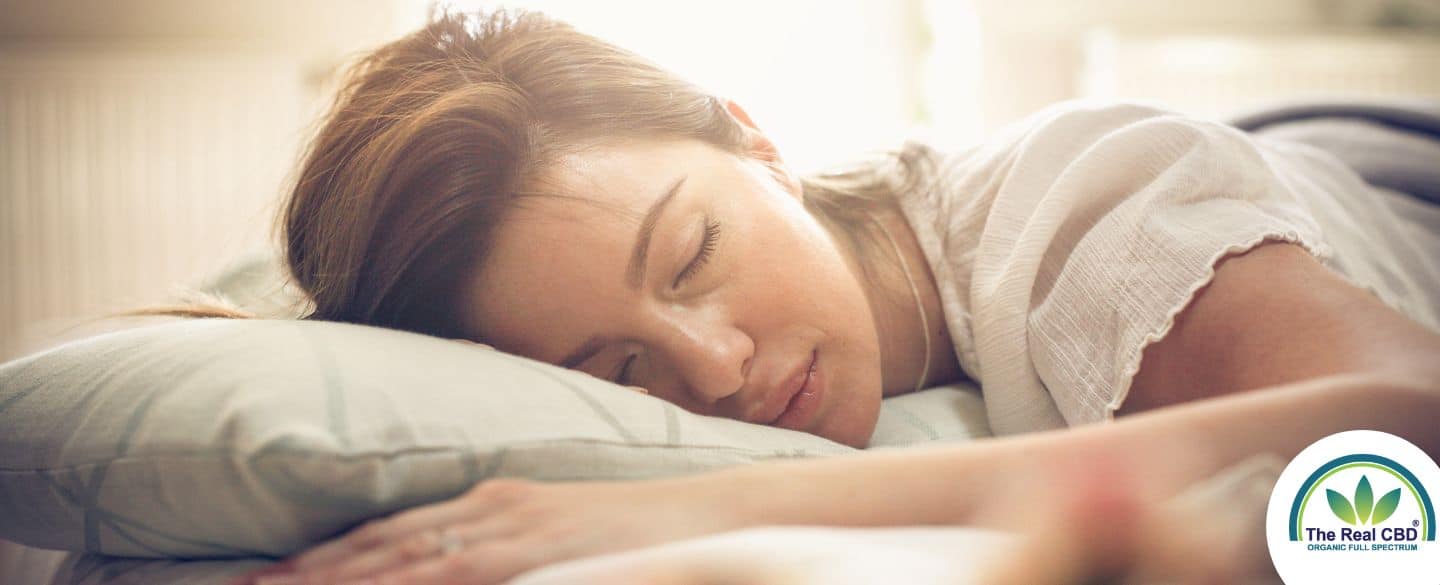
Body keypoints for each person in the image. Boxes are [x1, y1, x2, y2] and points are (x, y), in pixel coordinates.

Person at [151, 7, 1440, 585]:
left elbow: (1410, 459)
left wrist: (712, 508)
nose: (712, 369)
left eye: (693, 254)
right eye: (617, 370)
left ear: (755, 139)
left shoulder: (1094, 217)